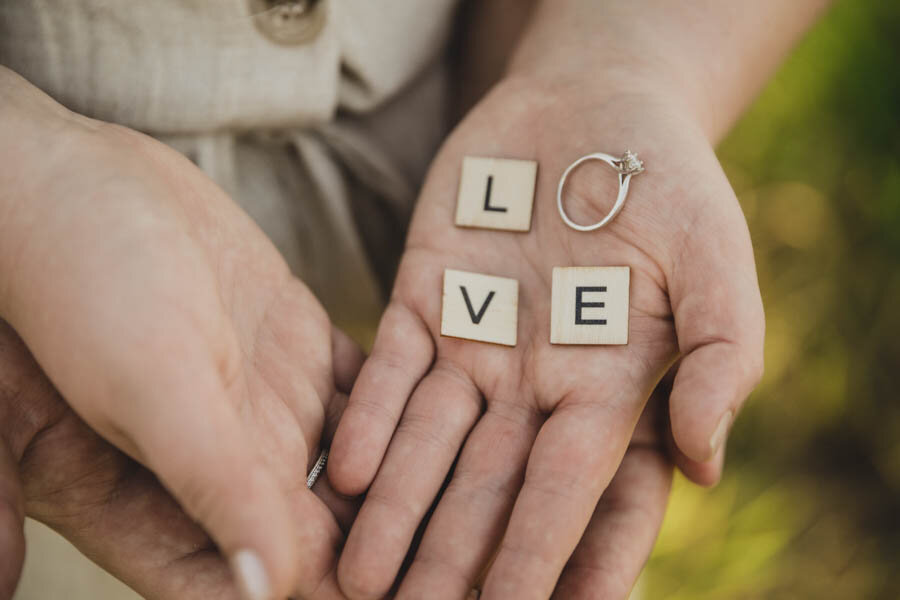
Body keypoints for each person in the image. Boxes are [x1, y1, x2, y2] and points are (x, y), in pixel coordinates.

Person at [0, 1, 830, 599]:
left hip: (465, 369)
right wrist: (21, 187)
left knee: (511, 542)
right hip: (69, 347)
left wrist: (625, 54)